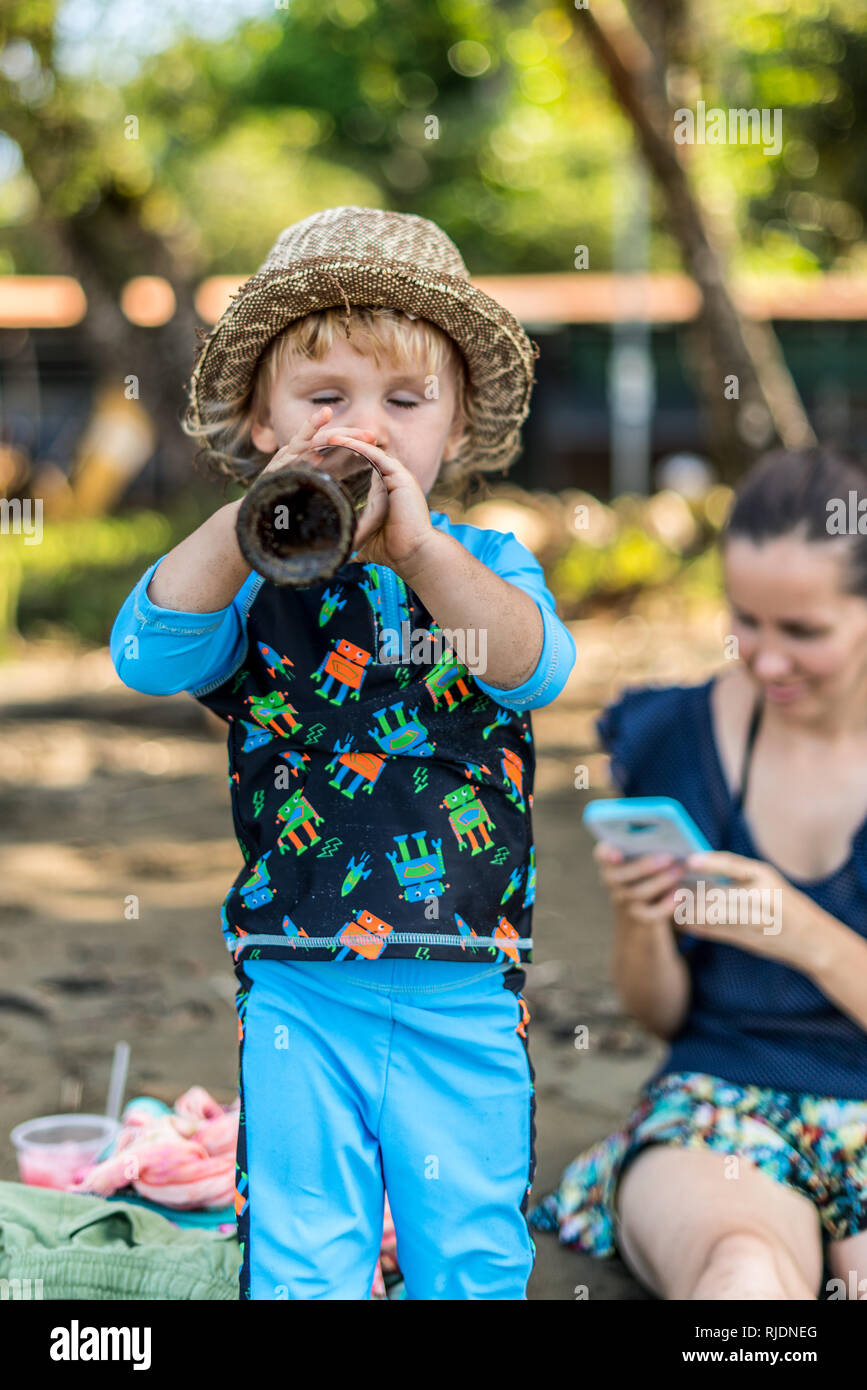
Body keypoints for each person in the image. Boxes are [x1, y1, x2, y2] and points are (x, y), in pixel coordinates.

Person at [110, 206, 576, 1300]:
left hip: (462, 977)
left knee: (466, 1236)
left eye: (404, 404)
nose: (364, 429)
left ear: (455, 431)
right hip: (296, 979)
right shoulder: (251, 578)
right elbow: (146, 650)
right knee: (303, 1240)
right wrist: (248, 525)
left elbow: (531, 667)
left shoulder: (486, 563)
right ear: (262, 424)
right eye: (326, 401)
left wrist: (418, 550)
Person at [530, 447, 867, 1301]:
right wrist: (642, 920)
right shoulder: (678, 735)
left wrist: (802, 935)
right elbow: (661, 1014)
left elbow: (803, 937)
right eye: (745, 621)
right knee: (742, 1284)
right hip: (722, 1106)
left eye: (803, 631)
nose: (765, 659)